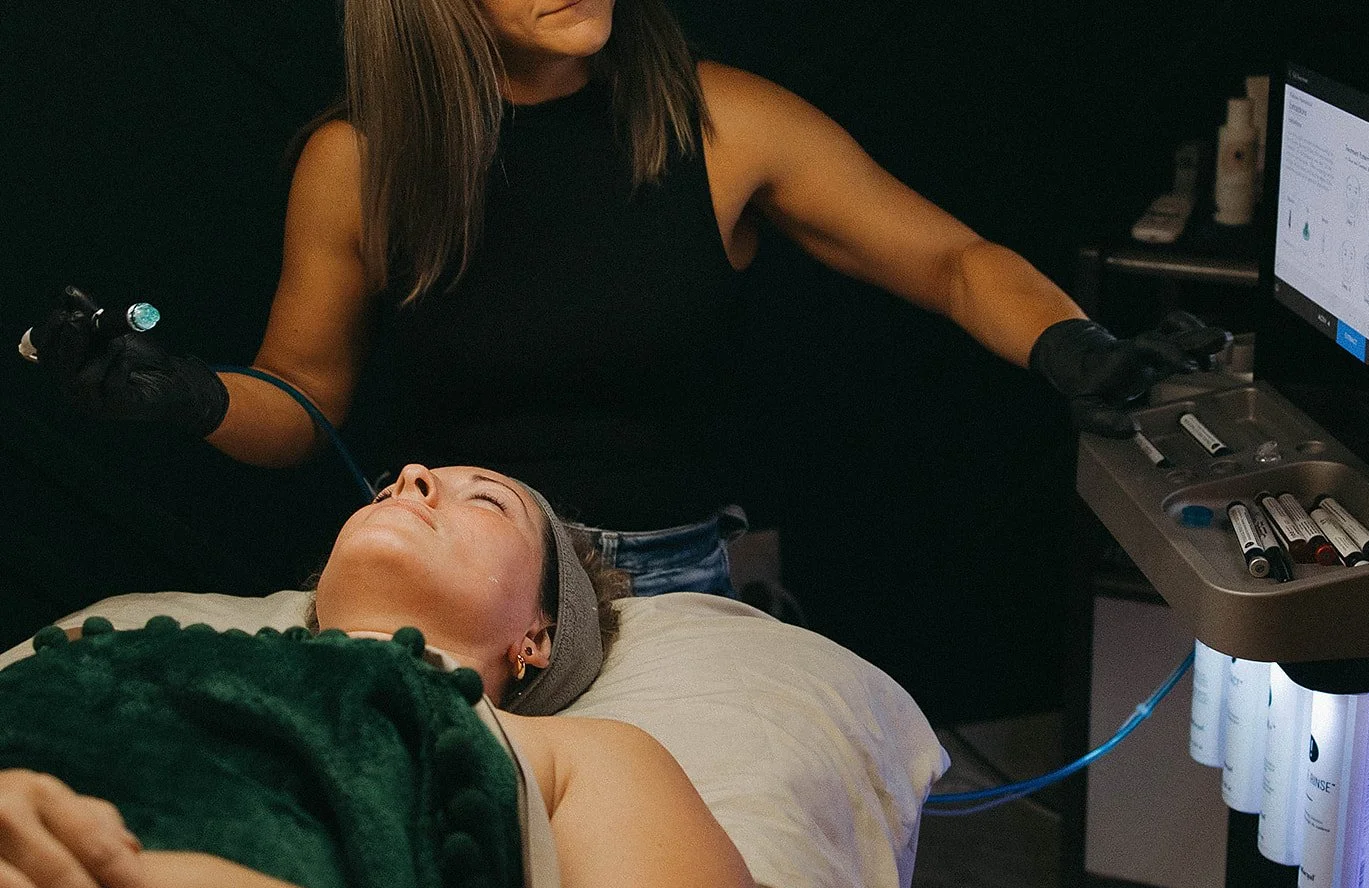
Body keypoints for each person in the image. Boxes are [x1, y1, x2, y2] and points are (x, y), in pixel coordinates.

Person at [24, 0, 1220, 596]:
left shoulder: (720, 118)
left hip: (675, 578)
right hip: (454, 579)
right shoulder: (359, 159)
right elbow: (301, 402)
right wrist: (179, 396)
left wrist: (1068, 342)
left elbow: (953, 261)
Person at [0, 463, 773, 888]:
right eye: (390, 485)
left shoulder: (581, 756)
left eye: (487, 501)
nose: (411, 478)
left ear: (538, 632)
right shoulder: (107, 649)